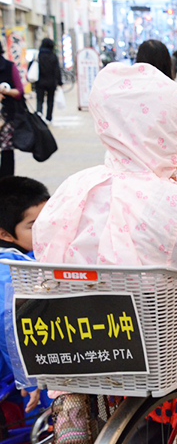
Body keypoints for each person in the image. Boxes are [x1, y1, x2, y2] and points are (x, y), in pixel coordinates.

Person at [33, 63, 177, 443]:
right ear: (169, 139)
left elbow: (46, 246)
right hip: (145, 343)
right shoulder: (175, 203)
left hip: (74, 337)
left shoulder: (75, 185)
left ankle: (71, 401)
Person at [0, 176, 51, 415]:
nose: (45, 228)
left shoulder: (27, 254)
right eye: (32, 225)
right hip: (14, 366)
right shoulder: (8, 272)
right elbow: (7, 326)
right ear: (6, 234)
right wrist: (27, 378)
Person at [0, 42, 26, 178]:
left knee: (6, 150)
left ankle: (6, 182)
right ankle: (7, 181)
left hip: (6, 116)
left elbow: (19, 92)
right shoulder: (10, 66)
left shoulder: (9, 67)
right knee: (7, 150)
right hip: (7, 116)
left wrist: (5, 91)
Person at [32, 38, 62, 122]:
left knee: (39, 100)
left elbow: (32, 67)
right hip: (51, 82)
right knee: (50, 100)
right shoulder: (53, 56)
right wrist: (59, 82)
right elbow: (57, 70)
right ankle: (49, 118)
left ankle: (39, 116)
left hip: (40, 81)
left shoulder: (38, 55)